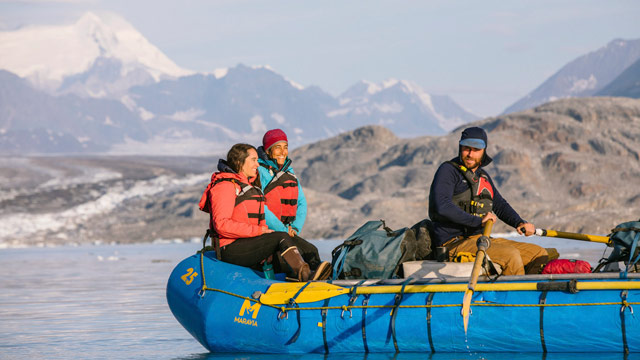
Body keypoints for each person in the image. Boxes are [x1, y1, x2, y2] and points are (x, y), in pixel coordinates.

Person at [428, 127, 548, 275]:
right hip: (453, 243)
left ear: (484, 150)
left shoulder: (482, 176)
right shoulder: (448, 171)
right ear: (460, 148)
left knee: (538, 253)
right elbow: (442, 206)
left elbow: (499, 204)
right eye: (466, 148)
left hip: (481, 238)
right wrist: (477, 222)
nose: (470, 154)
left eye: (476, 149)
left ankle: (529, 297)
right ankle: (512, 297)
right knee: (510, 255)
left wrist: (519, 222)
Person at [199, 143, 328, 281]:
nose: (257, 165)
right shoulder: (225, 186)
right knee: (281, 237)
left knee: (307, 247)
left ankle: (321, 275)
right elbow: (221, 224)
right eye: (253, 160)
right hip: (230, 249)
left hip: (250, 243)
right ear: (239, 162)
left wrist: (265, 244)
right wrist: (260, 232)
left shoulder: (248, 186)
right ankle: (305, 275)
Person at [257, 129, 331, 279]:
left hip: (287, 231)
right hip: (268, 232)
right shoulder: (258, 171)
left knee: (311, 251)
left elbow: (301, 202)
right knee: (288, 258)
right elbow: (259, 206)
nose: (282, 152)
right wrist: (282, 229)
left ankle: (322, 281)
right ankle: (302, 279)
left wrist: (295, 227)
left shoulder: (289, 172)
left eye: (285, 147)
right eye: (277, 147)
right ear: (268, 150)